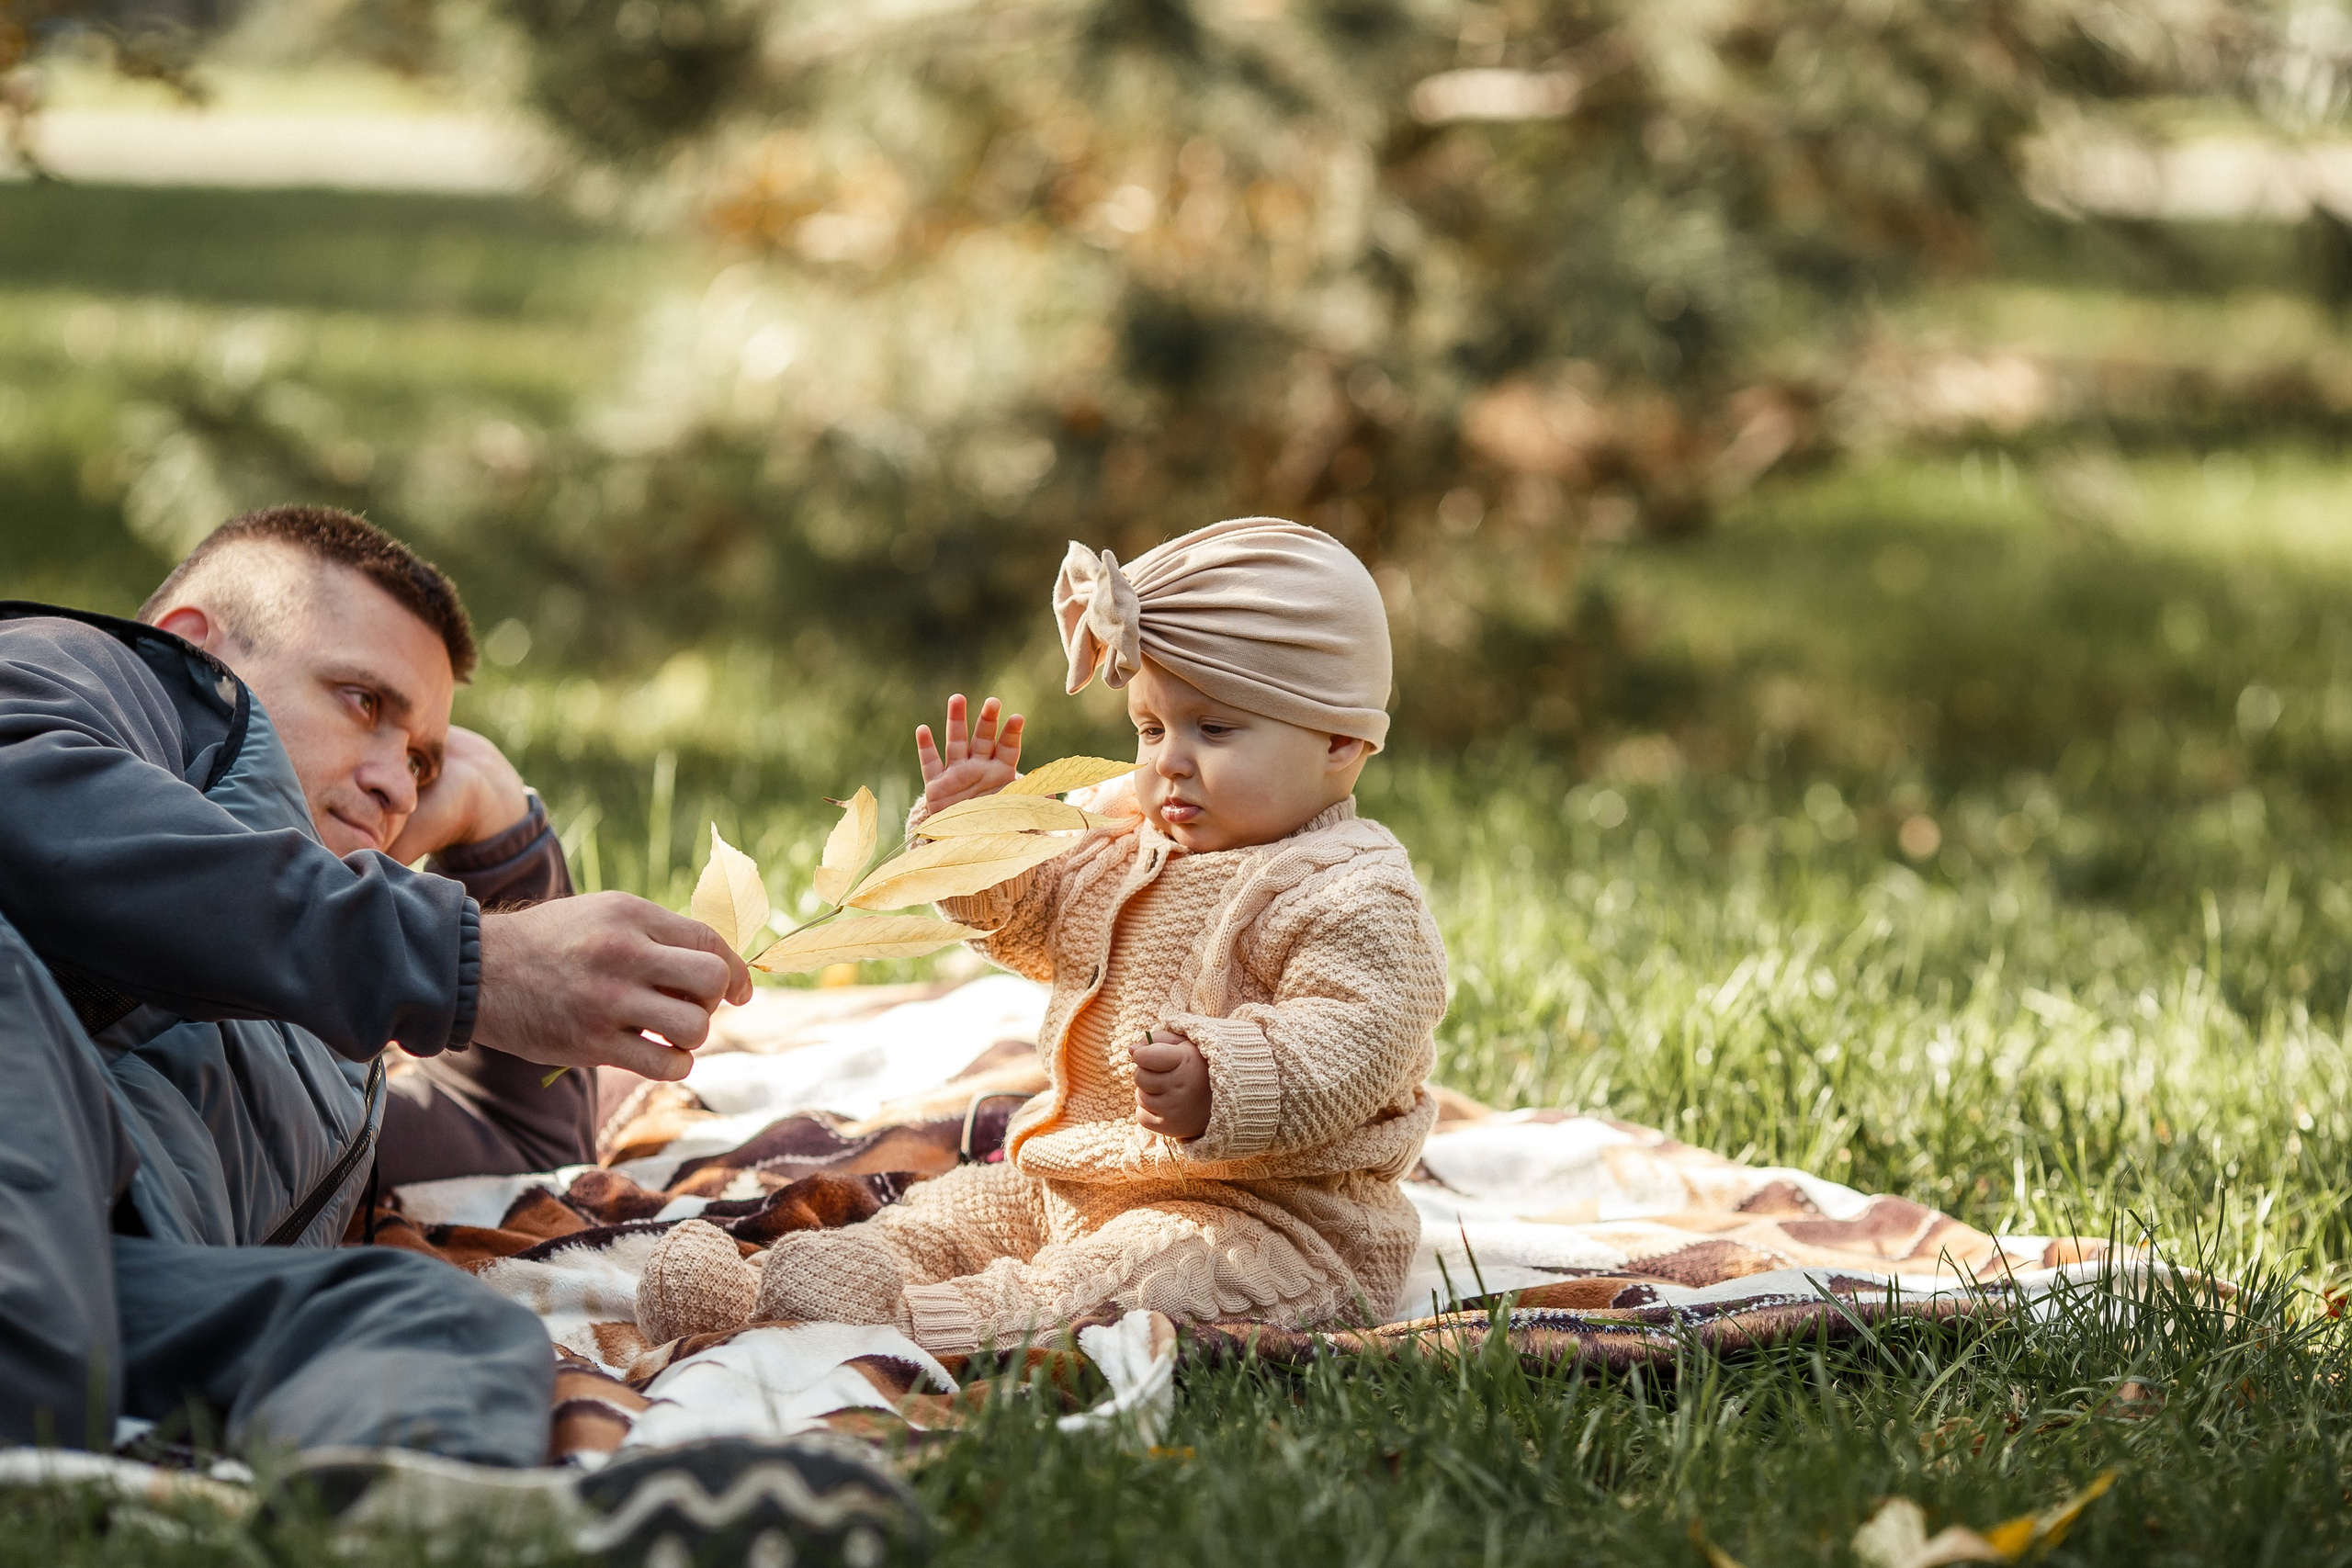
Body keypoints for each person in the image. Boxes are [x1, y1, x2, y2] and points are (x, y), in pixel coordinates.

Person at [0, 509, 749, 1460]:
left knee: (438, 1324)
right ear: (195, 643)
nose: (399, 784)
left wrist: (502, 830)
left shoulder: (331, 1051)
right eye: (364, 702)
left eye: (424, 758)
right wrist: (471, 959)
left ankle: (402, 1522)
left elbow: (522, 1138)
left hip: (102, 1297)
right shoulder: (99, 677)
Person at [637, 516, 1449, 1350]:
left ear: (1342, 741)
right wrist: (978, 841)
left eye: (1214, 729)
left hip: (1270, 1222)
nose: (1170, 760)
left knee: (1129, 1276)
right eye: (1150, 728)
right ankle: (773, 1284)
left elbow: (1355, 1037)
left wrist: (1222, 1076)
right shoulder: (1131, 840)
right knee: (945, 1215)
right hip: (1078, 1173)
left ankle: (913, 1327)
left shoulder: (1353, 890)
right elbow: (1035, 922)